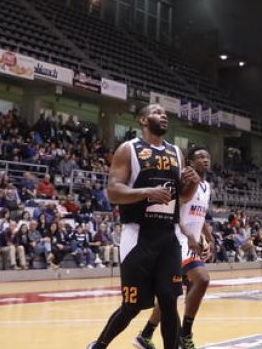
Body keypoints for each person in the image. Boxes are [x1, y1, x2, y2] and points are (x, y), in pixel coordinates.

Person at [86, 104, 199, 349]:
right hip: (139, 235)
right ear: (143, 120)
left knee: (169, 300)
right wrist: (147, 192)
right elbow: (113, 191)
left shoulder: (176, 152)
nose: (163, 116)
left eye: (165, 114)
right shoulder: (128, 149)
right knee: (132, 305)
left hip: (168, 236)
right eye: (157, 113)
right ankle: (99, 345)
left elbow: (182, 197)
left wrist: (192, 184)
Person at [136, 146, 214, 349]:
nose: (205, 160)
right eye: (200, 157)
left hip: (192, 242)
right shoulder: (186, 179)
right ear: (190, 162)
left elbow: (200, 215)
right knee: (202, 279)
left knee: (170, 293)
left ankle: (146, 334)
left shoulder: (207, 186)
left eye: (207, 156)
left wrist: (209, 238)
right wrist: (189, 236)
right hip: (177, 238)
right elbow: (173, 209)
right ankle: (185, 334)